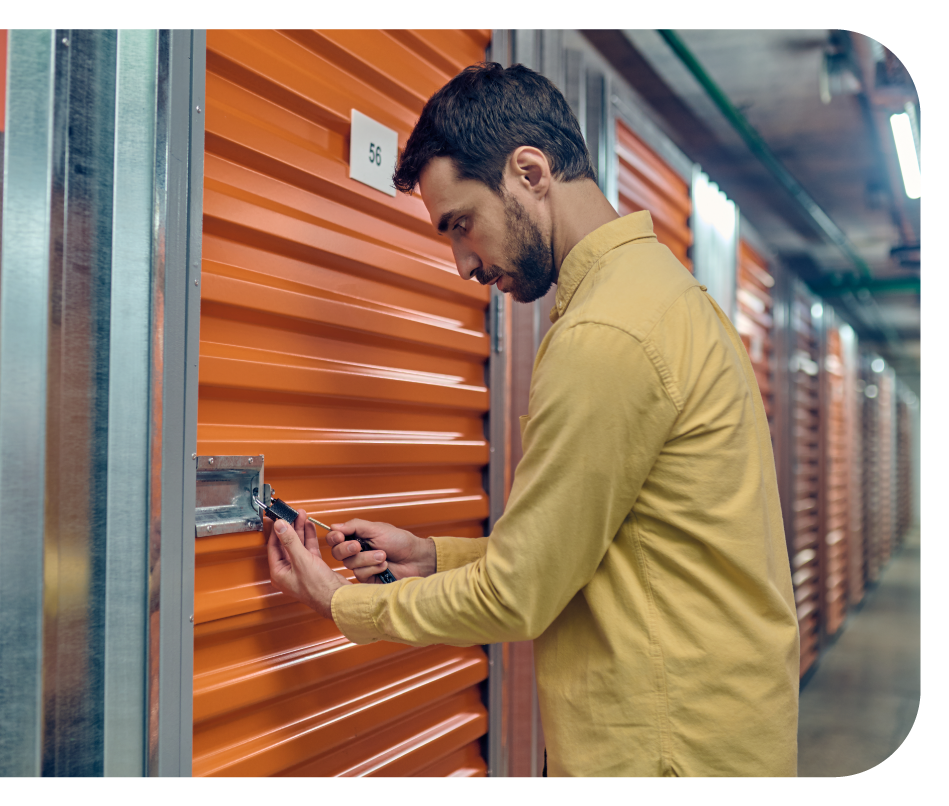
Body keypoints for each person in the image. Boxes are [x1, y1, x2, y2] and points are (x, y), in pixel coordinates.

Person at [263, 62, 800, 778]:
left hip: (665, 749)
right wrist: (432, 556)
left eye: (462, 225)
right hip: (712, 730)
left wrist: (342, 605)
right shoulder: (663, 294)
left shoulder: (605, 334)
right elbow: (611, 547)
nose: (462, 265)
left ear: (529, 172)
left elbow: (520, 597)